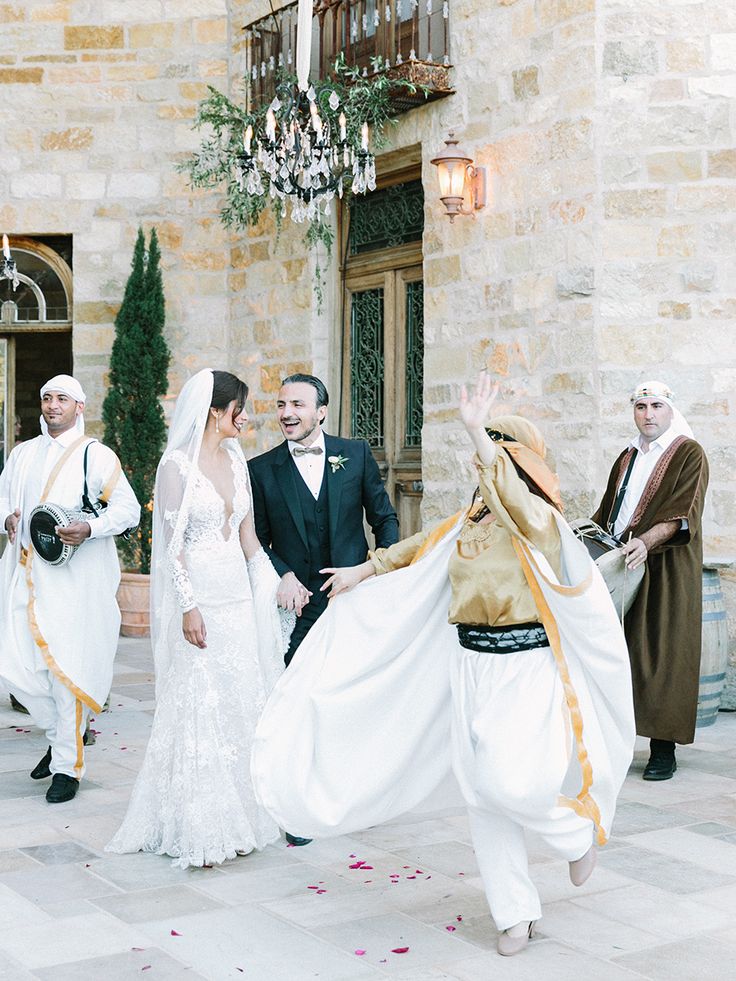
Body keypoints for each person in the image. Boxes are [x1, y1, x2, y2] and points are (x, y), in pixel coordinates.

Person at [251, 373, 635, 955]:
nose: (484, 470)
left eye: (498, 457)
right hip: (470, 665)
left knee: (513, 782)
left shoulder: (540, 523)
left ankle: (576, 832)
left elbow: (512, 496)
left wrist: (478, 429)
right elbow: (416, 547)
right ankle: (513, 914)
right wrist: (364, 571)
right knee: (481, 793)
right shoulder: (467, 522)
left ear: (520, 466)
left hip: (526, 664)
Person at [107, 369, 289, 869]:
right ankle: (199, 824)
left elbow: (248, 538)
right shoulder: (175, 466)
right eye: (239, 409)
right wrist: (188, 606)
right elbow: (173, 548)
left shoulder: (234, 458)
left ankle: (241, 817)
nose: (246, 418)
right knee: (199, 705)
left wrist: (274, 584)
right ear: (215, 410)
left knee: (237, 700)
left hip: (237, 602)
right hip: (201, 602)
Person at [248, 372, 399, 846]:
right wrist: (282, 576)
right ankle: (299, 805)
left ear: (321, 412)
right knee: (300, 699)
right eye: (280, 405)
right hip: (298, 605)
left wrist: (378, 572)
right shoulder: (261, 468)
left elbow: (384, 518)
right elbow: (256, 540)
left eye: (297, 404)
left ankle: (358, 794)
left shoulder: (353, 455)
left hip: (353, 600)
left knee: (355, 698)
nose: (287, 413)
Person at [0, 375, 140, 803]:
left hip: (74, 585)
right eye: (46, 398)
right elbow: (4, 497)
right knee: (16, 663)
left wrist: (91, 527)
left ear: (79, 406)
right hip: (23, 576)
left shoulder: (95, 455)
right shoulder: (22, 453)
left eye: (62, 398)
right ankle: (65, 731)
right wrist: (7, 518)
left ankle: (67, 765)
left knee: (67, 670)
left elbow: (128, 509)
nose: (52, 405)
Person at [592, 380, 709, 780]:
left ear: (670, 410)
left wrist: (645, 541)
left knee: (664, 652)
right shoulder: (626, 457)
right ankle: (617, 742)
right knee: (620, 652)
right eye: (641, 406)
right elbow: (609, 510)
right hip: (626, 561)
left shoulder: (688, 452)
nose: (648, 414)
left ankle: (663, 750)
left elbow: (682, 514)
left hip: (668, 566)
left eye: (656, 405)